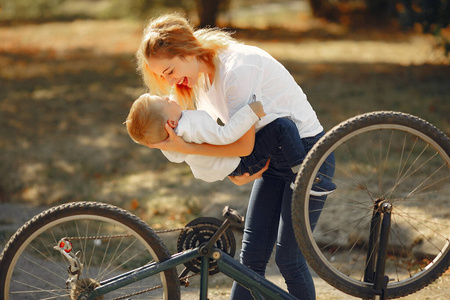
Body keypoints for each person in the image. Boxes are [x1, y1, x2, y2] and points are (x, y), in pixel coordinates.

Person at [135, 13, 336, 300]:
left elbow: (241, 147)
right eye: (162, 76)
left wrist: (186, 149)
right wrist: (230, 171)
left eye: (168, 71)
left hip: (306, 156)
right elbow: (225, 142)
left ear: (186, 51)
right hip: (273, 160)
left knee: (288, 259)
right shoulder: (199, 81)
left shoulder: (236, 70)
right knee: (250, 261)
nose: (169, 81)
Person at [125, 93, 335, 195]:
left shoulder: (170, 142)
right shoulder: (192, 125)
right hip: (243, 161)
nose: (169, 97)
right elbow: (225, 136)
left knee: (279, 132)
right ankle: (304, 177)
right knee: (282, 127)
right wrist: (251, 112)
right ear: (171, 123)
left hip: (232, 167)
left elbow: (169, 110)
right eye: (165, 100)